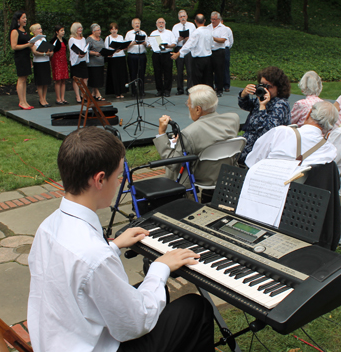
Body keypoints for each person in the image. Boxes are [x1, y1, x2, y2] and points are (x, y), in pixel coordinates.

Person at [27, 126, 214, 352]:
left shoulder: (48, 226)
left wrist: (113, 246)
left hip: (60, 337)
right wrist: (159, 268)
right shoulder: (94, 255)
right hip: (94, 345)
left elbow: (76, 271)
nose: (119, 183)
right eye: (118, 176)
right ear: (99, 179)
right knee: (196, 307)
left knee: (157, 292)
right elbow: (136, 324)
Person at [153, 85, 240, 190]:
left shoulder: (190, 132)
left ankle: (173, 194)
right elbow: (212, 136)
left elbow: (172, 163)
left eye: (188, 104)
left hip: (203, 176)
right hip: (226, 172)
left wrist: (161, 133)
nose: (188, 107)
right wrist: (182, 141)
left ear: (198, 109)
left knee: (173, 167)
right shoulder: (233, 119)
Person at [245, 101, 338, 168]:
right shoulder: (329, 151)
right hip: (300, 193)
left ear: (309, 113)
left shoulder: (280, 133)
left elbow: (251, 162)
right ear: (330, 127)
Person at [238, 66, 291, 164]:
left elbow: (267, 132)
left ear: (278, 87)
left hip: (259, 149)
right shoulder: (263, 98)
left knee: (226, 154)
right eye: (262, 85)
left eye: (269, 86)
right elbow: (246, 106)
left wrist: (263, 107)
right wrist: (243, 94)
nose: (265, 89)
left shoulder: (280, 105)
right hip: (249, 143)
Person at [171, 14, 213, 88]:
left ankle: (199, 98)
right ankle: (207, 97)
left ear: (195, 21)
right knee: (207, 81)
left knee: (198, 81)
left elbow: (189, 45)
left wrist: (178, 53)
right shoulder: (209, 31)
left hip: (198, 60)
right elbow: (212, 44)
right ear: (204, 20)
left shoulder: (196, 32)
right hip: (208, 58)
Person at [9, 10, 34, 110]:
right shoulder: (15, 31)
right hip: (20, 57)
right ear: (18, 19)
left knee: (25, 79)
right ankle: (21, 101)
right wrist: (27, 45)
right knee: (21, 78)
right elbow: (14, 46)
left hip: (26, 56)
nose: (25, 19)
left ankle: (25, 100)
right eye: (23, 18)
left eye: (26, 17)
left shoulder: (25, 31)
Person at [150, 18, 176, 97]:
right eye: (159, 23)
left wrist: (167, 46)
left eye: (162, 23)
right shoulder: (153, 33)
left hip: (166, 54)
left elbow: (174, 44)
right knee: (157, 73)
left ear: (165, 24)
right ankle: (159, 90)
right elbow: (148, 44)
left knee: (168, 72)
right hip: (156, 54)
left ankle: (167, 90)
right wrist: (152, 44)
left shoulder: (169, 32)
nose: (161, 24)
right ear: (156, 24)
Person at [172, 10, 196, 95]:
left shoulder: (192, 25)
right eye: (181, 17)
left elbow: (195, 37)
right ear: (178, 18)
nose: (182, 18)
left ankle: (190, 88)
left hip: (189, 49)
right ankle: (180, 89)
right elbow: (172, 38)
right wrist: (177, 39)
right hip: (179, 48)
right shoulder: (175, 27)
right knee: (179, 70)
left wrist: (188, 38)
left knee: (190, 69)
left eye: (184, 16)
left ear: (187, 17)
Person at [29, 23, 53, 107]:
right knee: (40, 82)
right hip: (38, 63)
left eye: (40, 28)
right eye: (38, 29)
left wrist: (50, 53)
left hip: (46, 61)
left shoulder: (44, 39)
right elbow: (34, 51)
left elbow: (48, 49)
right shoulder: (33, 40)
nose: (40, 30)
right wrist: (44, 54)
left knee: (46, 82)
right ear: (34, 31)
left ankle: (44, 98)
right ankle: (41, 99)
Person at [105, 22, 129, 99]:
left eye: (115, 29)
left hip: (121, 57)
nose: (114, 30)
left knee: (121, 75)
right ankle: (116, 92)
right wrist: (114, 50)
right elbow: (107, 49)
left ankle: (122, 91)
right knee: (114, 75)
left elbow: (124, 46)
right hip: (113, 58)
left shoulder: (121, 37)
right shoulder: (108, 38)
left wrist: (122, 48)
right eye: (112, 29)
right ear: (110, 30)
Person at [125, 18, 148, 97]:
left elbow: (148, 45)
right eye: (135, 23)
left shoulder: (143, 33)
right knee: (133, 73)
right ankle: (133, 91)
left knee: (141, 73)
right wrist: (133, 43)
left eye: (138, 23)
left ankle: (142, 90)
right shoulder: (129, 34)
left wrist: (144, 43)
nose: (137, 25)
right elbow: (125, 46)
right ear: (132, 25)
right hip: (132, 55)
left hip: (141, 55)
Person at [208, 12, 228, 97]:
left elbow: (223, 40)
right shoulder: (208, 27)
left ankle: (219, 89)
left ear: (219, 19)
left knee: (219, 71)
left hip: (219, 51)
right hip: (209, 51)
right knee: (209, 71)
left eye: (214, 19)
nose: (212, 21)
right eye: (211, 19)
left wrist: (213, 38)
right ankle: (210, 89)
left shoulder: (223, 28)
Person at [69, 22, 89, 103]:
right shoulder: (72, 39)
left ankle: (83, 94)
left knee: (85, 78)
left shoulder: (83, 39)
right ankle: (77, 96)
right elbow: (72, 50)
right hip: (76, 61)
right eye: (78, 28)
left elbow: (85, 48)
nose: (80, 29)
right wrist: (78, 55)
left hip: (83, 60)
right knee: (77, 79)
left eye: (81, 28)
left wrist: (84, 53)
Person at [50, 25, 69, 105]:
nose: (63, 32)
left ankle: (63, 97)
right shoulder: (54, 41)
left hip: (63, 61)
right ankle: (58, 98)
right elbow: (51, 50)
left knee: (63, 80)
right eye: (61, 30)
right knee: (58, 80)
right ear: (57, 32)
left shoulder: (64, 40)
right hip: (57, 61)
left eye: (63, 30)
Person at [86, 23, 105, 101]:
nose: (99, 32)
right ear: (93, 32)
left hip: (100, 61)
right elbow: (86, 50)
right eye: (98, 30)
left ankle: (93, 93)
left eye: (100, 30)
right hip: (93, 62)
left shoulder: (101, 39)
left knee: (99, 79)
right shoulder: (89, 39)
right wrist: (94, 53)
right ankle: (98, 94)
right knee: (95, 79)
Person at [222, 18, 234, 93]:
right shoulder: (211, 28)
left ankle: (226, 85)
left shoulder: (227, 29)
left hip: (225, 48)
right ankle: (217, 85)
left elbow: (231, 41)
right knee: (217, 67)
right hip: (216, 49)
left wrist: (227, 47)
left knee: (225, 67)